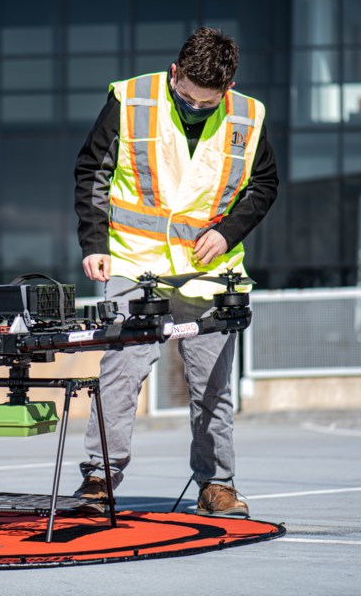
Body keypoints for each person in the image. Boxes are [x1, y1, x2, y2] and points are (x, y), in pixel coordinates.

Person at [72, 27, 279, 517]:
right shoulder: (130, 100)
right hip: (134, 263)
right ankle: (100, 480)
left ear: (225, 91)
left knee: (212, 386)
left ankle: (217, 485)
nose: (196, 109)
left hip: (208, 272)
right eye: (187, 97)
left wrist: (229, 233)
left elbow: (264, 184)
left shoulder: (247, 116)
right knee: (119, 373)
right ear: (174, 73)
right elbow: (93, 172)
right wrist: (94, 244)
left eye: (208, 104)